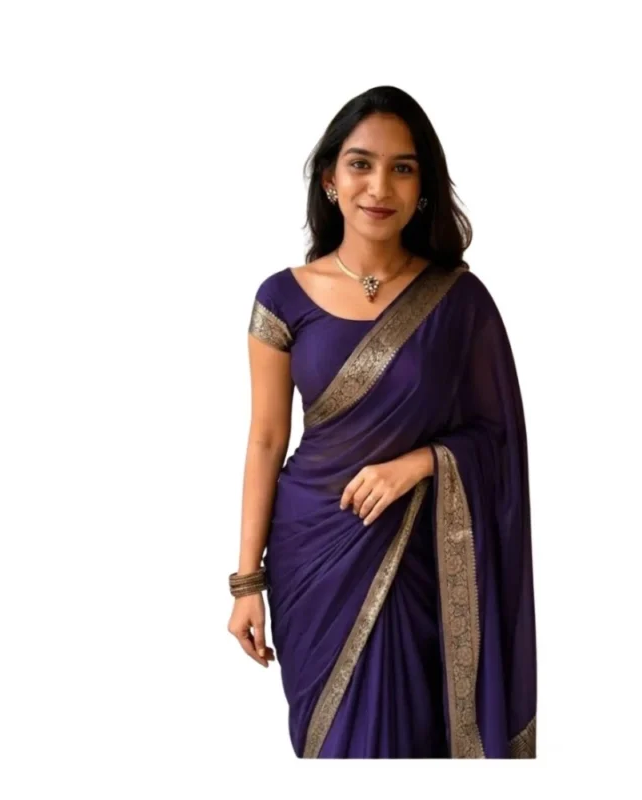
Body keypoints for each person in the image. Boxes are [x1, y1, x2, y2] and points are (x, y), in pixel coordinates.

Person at [227, 85, 537, 759]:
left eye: (403, 168)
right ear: (330, 179)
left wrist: (420, 463)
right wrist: (247, 582)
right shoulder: (281, 298)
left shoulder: (459, 301)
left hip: (420, 554)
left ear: (423, 187)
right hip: (312, 554)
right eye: (361, 164)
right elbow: (267, 439)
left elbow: (498, 437)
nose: (379, 187)